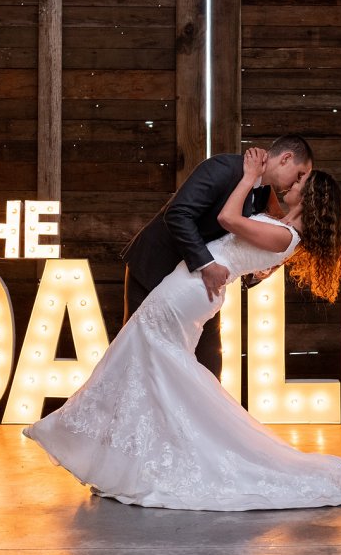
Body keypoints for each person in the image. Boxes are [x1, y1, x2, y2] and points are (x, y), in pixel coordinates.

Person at [24, 149, 341, 511]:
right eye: (297, 178)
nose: (291, 186)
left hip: (192, 289)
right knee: (152, 368)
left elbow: (228, 221)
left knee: (146, 364)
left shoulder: (283, 233)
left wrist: (248, 178)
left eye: (299, 185)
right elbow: (217, 232)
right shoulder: (279, 226)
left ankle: (146, 454)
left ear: (309, 200)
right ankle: (148, 456)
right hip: (190, 285)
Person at [121, 134, 314, 379]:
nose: (298, 184)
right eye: (299, 175)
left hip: (201, 285)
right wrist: (208, 264)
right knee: (135, 352)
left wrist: (259, 270)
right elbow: (178, 214)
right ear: (286, 158)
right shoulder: (223, 168)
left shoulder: (265, 194)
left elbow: (244, 242)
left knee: (209, 362)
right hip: (156, 267)